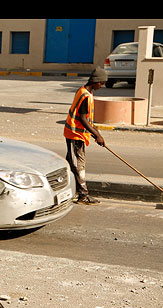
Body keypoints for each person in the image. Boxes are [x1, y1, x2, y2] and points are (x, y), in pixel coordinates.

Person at [64, 67, 107, 205]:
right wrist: (96, 135)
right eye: (102, 83)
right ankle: (83, 195)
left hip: (76, 133)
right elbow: (82, 119)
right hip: (75, 135)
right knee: (78, 165)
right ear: (96, 81)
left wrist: (97, 133)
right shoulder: (85, 96)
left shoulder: (84, 90)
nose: (102, 86)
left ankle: (67, 189)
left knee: (71, 163)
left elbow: (87, 119)